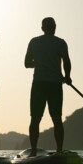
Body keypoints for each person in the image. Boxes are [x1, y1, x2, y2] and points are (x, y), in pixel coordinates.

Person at [24, 17, 72, 156]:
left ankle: (33, 151)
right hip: (55, 84)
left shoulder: (34, 42)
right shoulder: (61, 43)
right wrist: (67, 76)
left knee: (35, 118)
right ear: (54, 27)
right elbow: (67, 62)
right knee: (57, 119)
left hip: (39, 83)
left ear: (42, 28)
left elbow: (27, 63)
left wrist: (38, 63)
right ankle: (59, 151)